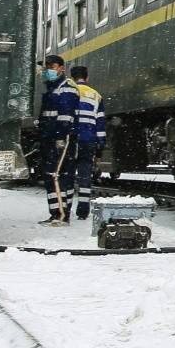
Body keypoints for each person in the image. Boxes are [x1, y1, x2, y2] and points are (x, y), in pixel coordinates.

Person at [37, 54, 79, 225]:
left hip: (60, 138)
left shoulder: (66, 87)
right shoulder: (53, 88)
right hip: (51, 137)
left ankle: (60, 215)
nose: (48, 70)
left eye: (52, 66)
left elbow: (65, 115)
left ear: (62, 68)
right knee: (62, 176)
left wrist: (60, 138)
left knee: (55, 175)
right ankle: (60, 212)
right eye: (46, 67)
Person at [70, 63, 104, 221]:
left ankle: (65, 209)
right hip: (88, 140)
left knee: (67, 175)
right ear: (87, 77)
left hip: (71, 140)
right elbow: (100, 124)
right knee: (85, 176)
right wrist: (100, 147)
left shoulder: (68, 91)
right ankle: (83, 211)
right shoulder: (96, 95)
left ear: (72, 77)